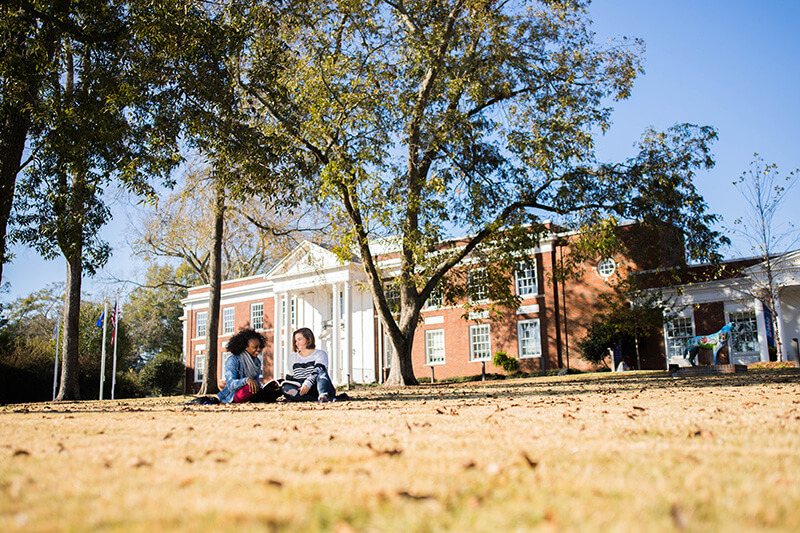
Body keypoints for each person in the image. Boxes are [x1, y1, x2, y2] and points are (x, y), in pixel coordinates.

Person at [217, 328, 277, 404]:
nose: (258, 349)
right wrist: (246, 380)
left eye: (259, 346)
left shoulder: (257, 362)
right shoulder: (233, 360)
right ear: (245, 347)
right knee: (248, 388)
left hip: (251, 392)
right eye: (255, 347)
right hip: (234, 395)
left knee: (275, 389)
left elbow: (256, 382)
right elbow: (230, 384)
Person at [283, 327, 336, 403]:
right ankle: (312, 399)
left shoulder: (320, 354)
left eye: (299, 339)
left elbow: (318, 370)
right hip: (301, 389)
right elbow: (290, 377)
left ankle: (323, 396)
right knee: (286, 388)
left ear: (309, 339)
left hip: (316, 386)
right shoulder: (292, 357)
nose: (297, 343)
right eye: (295, 341)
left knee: (322, 374)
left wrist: (308, 383)